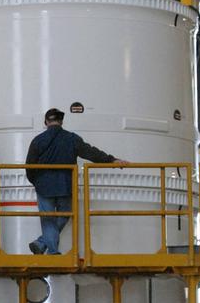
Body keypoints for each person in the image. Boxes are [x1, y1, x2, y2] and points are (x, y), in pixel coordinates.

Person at [24, 108, 128, 255]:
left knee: (48, 219)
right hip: (66, 186)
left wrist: (37, 182)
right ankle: (46, 247)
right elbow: (91, 152)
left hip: (44, 186)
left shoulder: (38, 140)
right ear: (61, 121)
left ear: (46, 122)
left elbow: (29, 166)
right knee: (65, 214)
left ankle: (44, 246)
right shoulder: (72, 139)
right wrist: (112, 160)